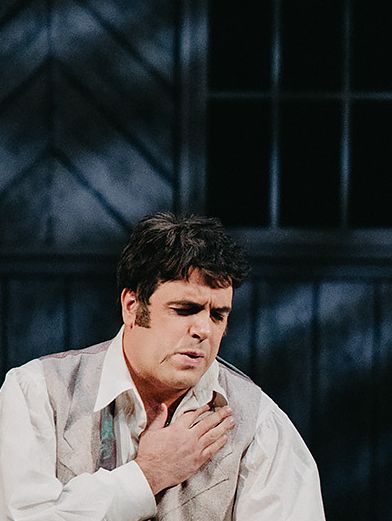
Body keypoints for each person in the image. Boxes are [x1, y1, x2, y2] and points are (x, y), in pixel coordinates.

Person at [0, 213, 326, 520]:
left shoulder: (258, 424)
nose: (204, 329)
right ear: (132, 306)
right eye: (185, 309)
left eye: (218, 315)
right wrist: (148, 475)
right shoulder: (37, 394)